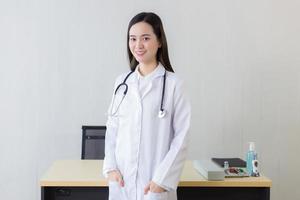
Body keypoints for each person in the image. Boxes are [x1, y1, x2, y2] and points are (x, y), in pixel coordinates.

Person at [103, 12, 191, 200]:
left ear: (159, 41)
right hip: (122, 183)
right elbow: (112, 129)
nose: (138, 45)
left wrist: (161, 180)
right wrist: (111, 169)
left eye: (145, 38)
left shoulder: (174, 84)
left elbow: (181, 138)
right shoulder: (122, 83)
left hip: (154, 185)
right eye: (132, 39)